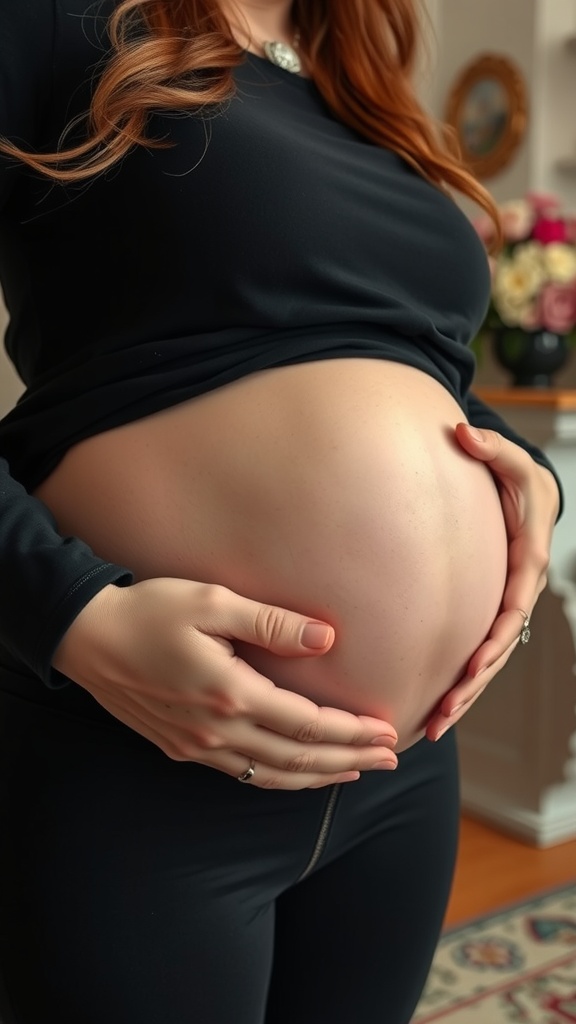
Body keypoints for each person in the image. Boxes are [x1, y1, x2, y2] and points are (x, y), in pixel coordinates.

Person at [0, 1, 562, 1022]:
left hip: (405, 768)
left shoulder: (355, 85)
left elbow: (411, 363)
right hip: (140, 750)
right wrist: (69, 613)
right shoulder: (59, 21)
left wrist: (530, 471)